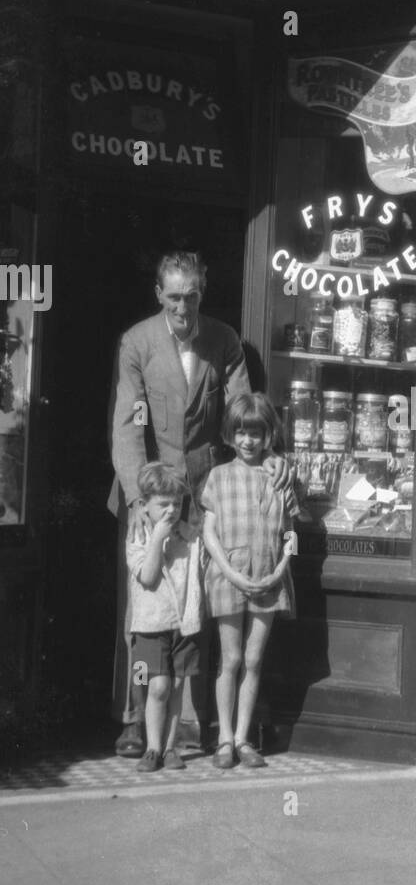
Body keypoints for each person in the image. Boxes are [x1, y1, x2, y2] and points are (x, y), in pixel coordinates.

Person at [108, 250, 287, 757]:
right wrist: (141, 498)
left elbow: (241, 415)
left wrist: (267, 456)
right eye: (173, 297)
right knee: (145, 602)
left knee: (197, 601)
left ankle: (188, 722)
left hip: (206, 490)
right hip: (151, 493)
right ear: (158, 295)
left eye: (191, 296)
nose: (182, 307)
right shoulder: (137, 343)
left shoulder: (223, 340)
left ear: (202, 293)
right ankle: (135, 719)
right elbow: (129, 425)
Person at [200, 392, 296, 769]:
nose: (247, 440)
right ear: (230, 434)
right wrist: (228, 570)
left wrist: (279, 569)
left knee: (254, 659)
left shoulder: (280, 477)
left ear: (267, 434)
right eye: (240, 432)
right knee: (232, 657)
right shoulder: (219, 477)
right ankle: (223, 738)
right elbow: (209, 532)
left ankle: (243, 738)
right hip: (229, 577)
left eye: (255, 432)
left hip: (268, 577)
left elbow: (291, 533)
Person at [125, 463, 203, 772]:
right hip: (151, 624)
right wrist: (157, 536)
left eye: (177, 503)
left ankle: (170, 748)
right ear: (145, 505)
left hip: (183, 623)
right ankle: (152, 746)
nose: (171, 510)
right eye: (163, 504)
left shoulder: (188, 536)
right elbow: (148, 575)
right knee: (156, 686)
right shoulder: (138, 536)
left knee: (177, 685)